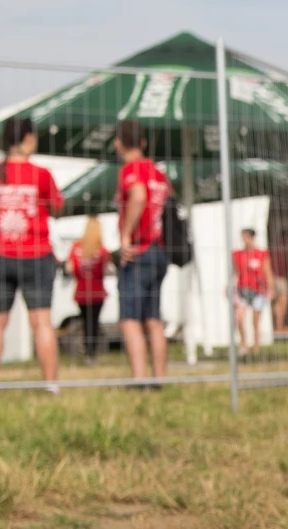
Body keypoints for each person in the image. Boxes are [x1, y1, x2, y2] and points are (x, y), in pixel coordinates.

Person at [0, 117, 63, 390]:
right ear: (28, 138)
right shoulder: (40, 174)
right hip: (35, 254)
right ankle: (51, 384)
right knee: (41, 321)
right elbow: (56, 207)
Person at [113, 120, 171, 383]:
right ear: (144, 142)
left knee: (129, 319)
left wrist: (125, 236)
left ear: (117, 143)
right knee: (153, 318)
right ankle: (159, 378)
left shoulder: (131, 169)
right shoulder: (158, 172)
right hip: (159, 250)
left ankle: (139, 380)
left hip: (139, 250)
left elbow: (137, 196)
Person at [65, 217, 111, 365]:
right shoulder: (102, 251)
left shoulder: (76, 247)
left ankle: (87, 354)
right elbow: (106, 270)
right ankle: (92, 354)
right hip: (97, 291)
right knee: (94, 323)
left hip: (81, 291)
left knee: (85, 323)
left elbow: (69, 268)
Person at [231, 228, 274, 358]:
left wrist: (271, 289)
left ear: (252, 238)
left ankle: (256, 347)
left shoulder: (261, 254)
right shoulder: (237, 254)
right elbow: (235, 272)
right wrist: (230, 287)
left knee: (255, 321)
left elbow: (267, 272)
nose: (244, 240)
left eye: (246, 237)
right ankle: (243, 344)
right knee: (239, 317)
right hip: (242, 289)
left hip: (258, 290)